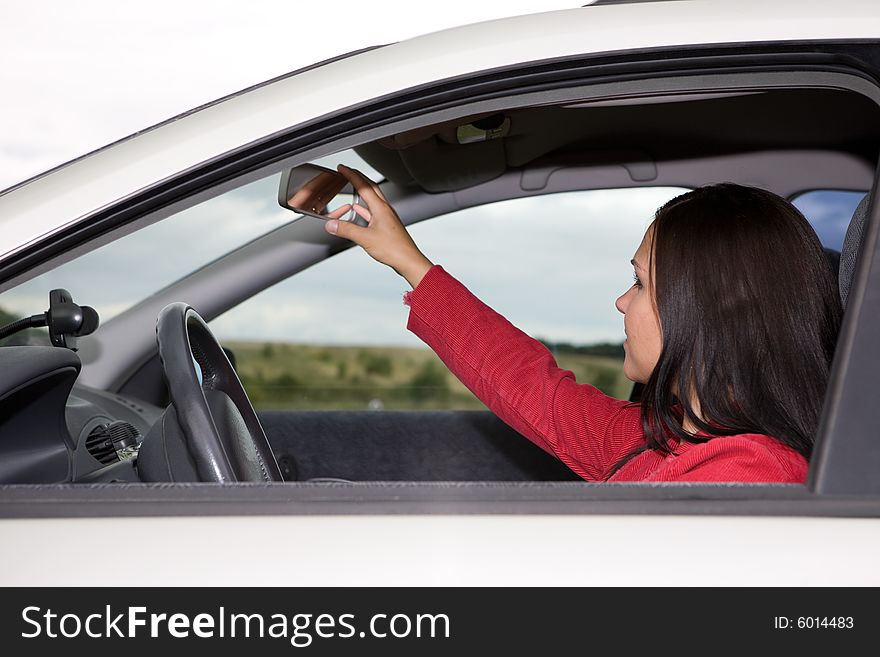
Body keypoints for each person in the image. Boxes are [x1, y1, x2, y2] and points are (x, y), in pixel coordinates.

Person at [317, 164, 842, 483]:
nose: (621, 302)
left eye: (639, 283)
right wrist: (410, 262)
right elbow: (536, 390)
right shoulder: (671, 438)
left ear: (705, 307)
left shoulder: (745, 478)